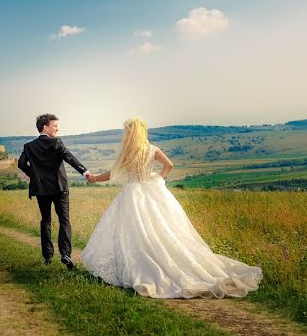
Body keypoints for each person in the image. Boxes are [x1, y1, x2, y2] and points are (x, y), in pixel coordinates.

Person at [83, 116, 262, 298]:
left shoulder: (128, 153)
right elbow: (169, 165)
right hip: (151, 191)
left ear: (130, 133)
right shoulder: (151, 149)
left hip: (133, 194)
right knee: (163, 228)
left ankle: (141, 264)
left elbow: (112, 173)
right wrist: (159, 178)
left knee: (132, 232)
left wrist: (94, 178)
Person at [18, 113, 93, 270]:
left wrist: (34, 174)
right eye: (55, 126)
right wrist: (85, 172)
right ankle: (66, 254)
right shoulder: (56, 142)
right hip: (59, 188)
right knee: (64, 220)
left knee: (45, 221)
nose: (57, 128)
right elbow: (69, 157)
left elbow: (21, 164)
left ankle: (47, 257)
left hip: (41, 189)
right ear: (45, 127)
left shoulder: (29, 146)